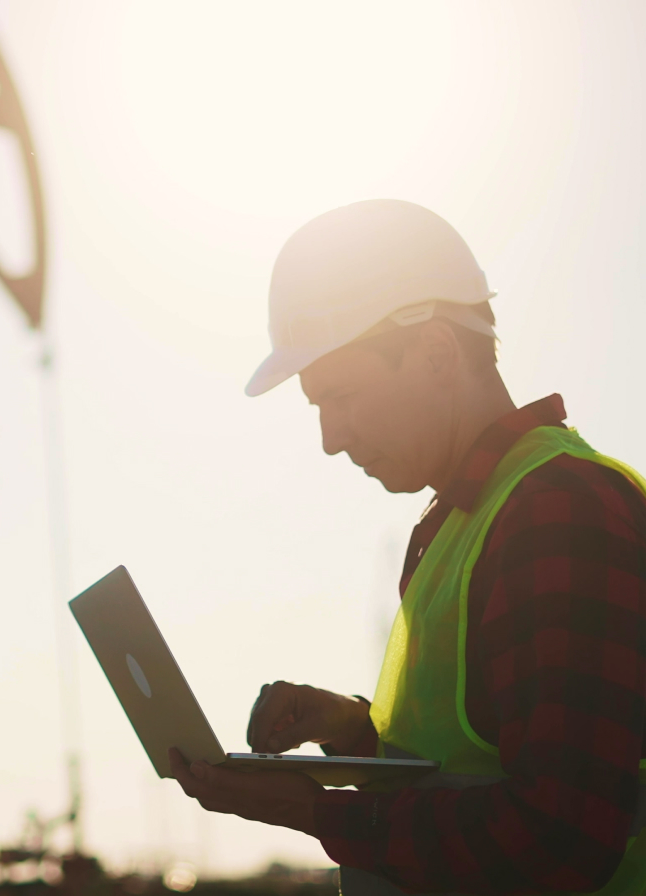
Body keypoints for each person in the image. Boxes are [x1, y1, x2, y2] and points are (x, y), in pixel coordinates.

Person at [168, 199, 646, 894]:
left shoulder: (556, 512)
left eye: (344, 395)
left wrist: (315, 812)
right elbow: (477, 765)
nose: (331, 437)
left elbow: (561, 835)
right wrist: (353, 730)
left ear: (436, 353)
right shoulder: (462, 523)